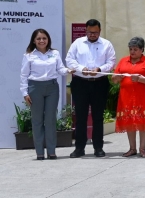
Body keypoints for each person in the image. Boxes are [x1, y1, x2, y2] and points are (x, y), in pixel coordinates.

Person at [20, 29, 74, 160]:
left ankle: (51, 151)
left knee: (50, 120)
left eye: (44, 38)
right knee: (37, 120)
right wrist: (24, 92)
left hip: (52, 88)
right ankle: (39, 152)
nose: (41, 41)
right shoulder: (29, 55)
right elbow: (24, 75)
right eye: (38, 39)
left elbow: (60, 69)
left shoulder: (54, 53)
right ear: (34, 41)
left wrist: (69, 70)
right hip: (35, 88)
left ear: (48, 39)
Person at [66, 19, 116, 158]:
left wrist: (100, 69)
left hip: (99, 83)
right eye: (89, 32)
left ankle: (98, 147)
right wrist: (82, 69)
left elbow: (111, 61)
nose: (92, 35)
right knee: (80, 117)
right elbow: (69, 60)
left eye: (95, 32)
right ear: (85, 31)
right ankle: (79, 148)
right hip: (80, 83)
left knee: (98, 117)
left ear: (100, 31)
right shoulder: (78, 43)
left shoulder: (107, 44)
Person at [111, 37, 145, 158]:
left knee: (143, 122)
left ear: (142, 50)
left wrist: (140, 79)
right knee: (129, 121)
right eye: (131, 49)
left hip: (143, 97)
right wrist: (117, 78)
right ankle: (132, 148)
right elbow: (114, 78)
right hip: (127, 97)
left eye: (135, 49)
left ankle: (143, 148)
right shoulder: (123, 61)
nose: (132, 52)